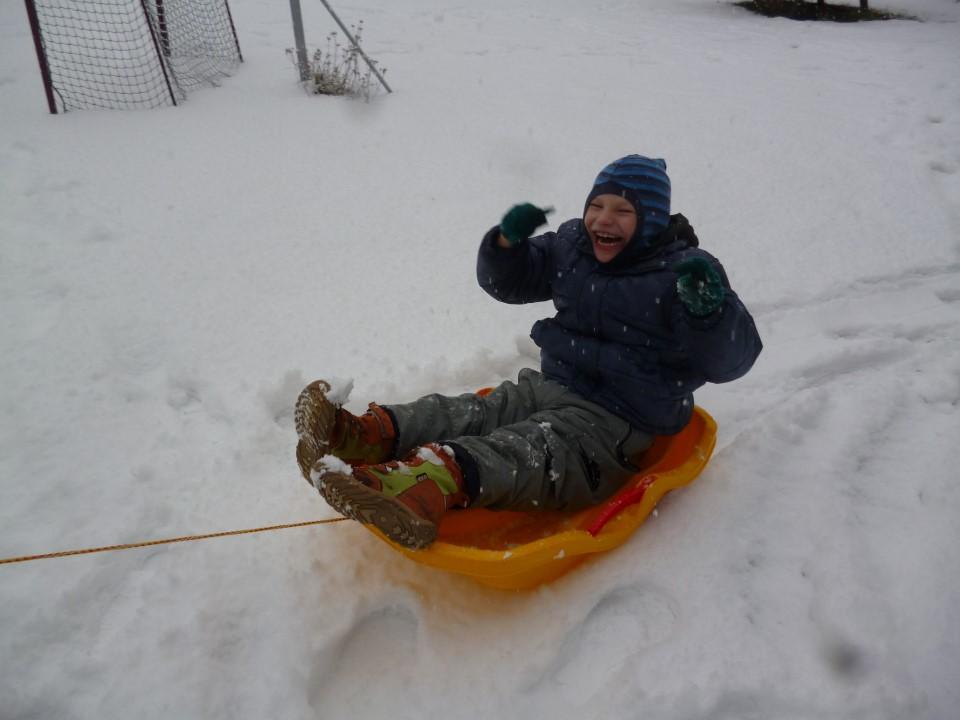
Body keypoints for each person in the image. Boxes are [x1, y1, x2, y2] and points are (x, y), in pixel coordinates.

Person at [295, 154, 762, 549]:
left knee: (528, 452)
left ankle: (422, 486)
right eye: (596, 205)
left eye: (622, 210)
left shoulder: (684, 274)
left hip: (616, 420)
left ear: (652, 220)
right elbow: (510, 283)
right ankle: (363, 433)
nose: (603, 218)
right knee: (475, 412)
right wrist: (506, 244)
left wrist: (708, 312)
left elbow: (731, 361)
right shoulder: (574, 245)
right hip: (551, 383)